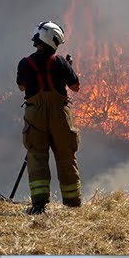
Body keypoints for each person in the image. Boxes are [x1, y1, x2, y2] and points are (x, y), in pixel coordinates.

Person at [16, 20, 82, 214]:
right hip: (59, 115)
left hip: (34, 114)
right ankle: (72, 204)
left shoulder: (25, 63)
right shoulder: (60, 62)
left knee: (36, 155)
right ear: (53, 40)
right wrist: (67, 69)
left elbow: (22, 87)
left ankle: (38, 205)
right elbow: (75, 87)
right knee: (65, 156)